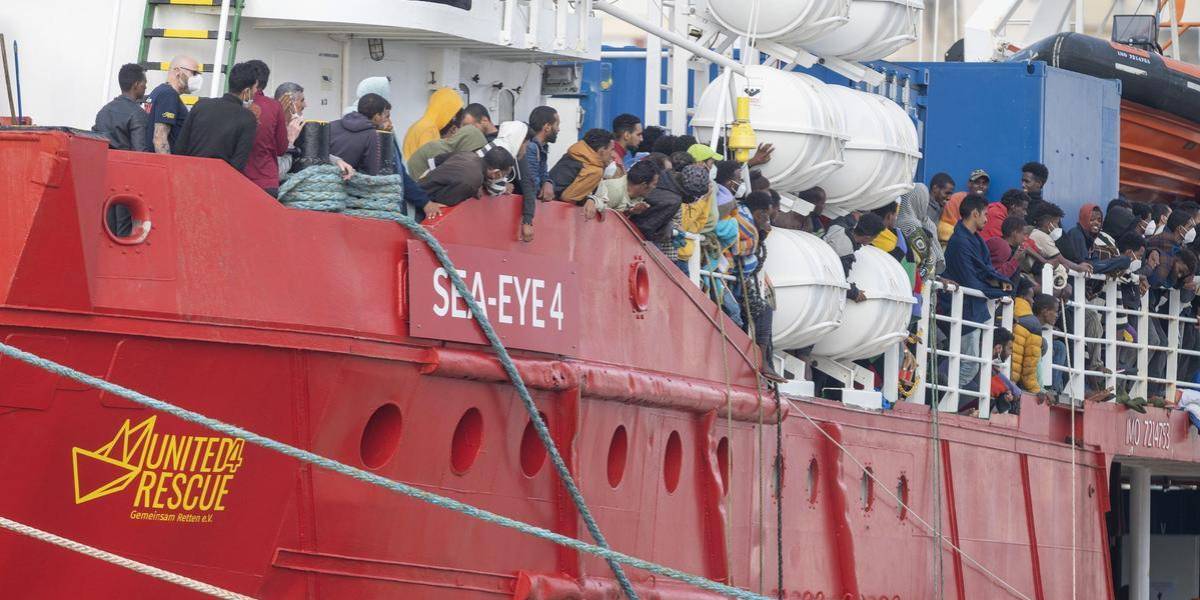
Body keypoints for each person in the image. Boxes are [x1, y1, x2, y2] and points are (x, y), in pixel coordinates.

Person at [943, 193, 1013, 387]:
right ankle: (943, 398)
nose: (987, 219)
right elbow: (969, 279)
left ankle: (949, 396)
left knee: (971, 362)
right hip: (963, 309)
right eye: (985, 214)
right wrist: (998, 289)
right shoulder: (959, 241)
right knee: (971, 364)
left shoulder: (974, 240)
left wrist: (1000, 283)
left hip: (972, 308)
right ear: (975, 214)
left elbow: (983, 270)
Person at [174, 62, 258, 171]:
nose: (256, 91)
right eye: (255, 88)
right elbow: (238, 164)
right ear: (246, 91)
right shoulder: (248, 118)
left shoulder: (201, 105)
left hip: (189, 174)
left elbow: (180, 147)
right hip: (220, 178)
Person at [419, 146, 516, 218]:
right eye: (504, 175)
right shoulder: (473, 181)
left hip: (419, 186)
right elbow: (444, 202)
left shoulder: (467, 154)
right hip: (420, 204)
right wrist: (473, 191)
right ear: (496, 173)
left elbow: (437, 161)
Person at [241, 60, 289, 196]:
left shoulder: (232, 104)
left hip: (236, 178)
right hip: (265, 179)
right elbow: (281, 148)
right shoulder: (274, 106)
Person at [144, 55, 201, 154]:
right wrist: (167, 163)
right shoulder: (169, 95)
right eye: (194, 73)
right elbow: (160, 140)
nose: (197, 78)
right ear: (178, 71)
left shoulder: (159, 91)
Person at [823, 212, 885, 303]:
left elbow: (846, 219)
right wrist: (855, 293)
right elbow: (838, 282)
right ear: (868, 237)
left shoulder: (837, 226)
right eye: (874, 238)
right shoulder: (846, 253)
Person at [1058, 203, 1132, 275]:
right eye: (1092, 219)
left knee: (1124, 260)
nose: (1096, 223)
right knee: (1124, 260)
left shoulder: (1090, 238)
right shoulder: (1076, 234)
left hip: (1091, 267)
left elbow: (1095, 261)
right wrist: (1113, 263)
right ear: (1084, 218)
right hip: (1077, 274)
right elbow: (1085, 263)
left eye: (1099, 220)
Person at [549, 128, 614, 209]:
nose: (613, 155)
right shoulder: (594, 170)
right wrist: (591, 200)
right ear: (602, 150)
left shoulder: (573, 155)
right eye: (611, 150)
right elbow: (569, 198)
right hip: (556, 209)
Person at [329, 93, 391, 176]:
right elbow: (372, 172)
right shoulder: (372, 135)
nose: (386, 120)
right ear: (377, 116)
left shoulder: (332, 124)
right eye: (385, 115)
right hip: (345, 180)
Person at [1022, 202, 1092, 275]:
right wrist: (1079, 268)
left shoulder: (1036, 233)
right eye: (1056, 223)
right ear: (1048, 223)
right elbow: (1061, 259)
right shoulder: (1042, 236)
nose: (1058, 226)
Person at [93, 63, 150, 152]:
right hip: (125, 160)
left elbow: (94, 142)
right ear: (136, 84)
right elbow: (140, 152)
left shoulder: (103, 111)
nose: (146, 87)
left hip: (102, 160)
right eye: (144, 83)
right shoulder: (138, 114)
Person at [406, 123, 489, 181]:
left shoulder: (449, 149)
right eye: (474, 151)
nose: (474, 155)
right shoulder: (439, 151)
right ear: (464, 143)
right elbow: (443, 180)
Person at [402, 87, 464, 156]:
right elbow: (432, 159)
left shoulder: (422, 124)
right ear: (445, 109)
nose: (452, 118)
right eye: (452, 112)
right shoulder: (429, 129)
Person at [939, 169, 989, 243]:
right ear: (969, 184)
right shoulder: (956, 199)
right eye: (977, 182)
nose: (981, 186)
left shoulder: (985, 206)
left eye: (984, 183)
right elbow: (946, 225)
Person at [522, 106, 559, 207]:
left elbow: (543, 175)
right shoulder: (531, 147)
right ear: (547, 127)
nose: (558, 129)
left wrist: (548, 182)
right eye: (557, 125)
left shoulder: (542, 147)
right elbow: (531, 184)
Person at [989, 327, 1022, 414]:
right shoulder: (987, 366)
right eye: (1010, 348)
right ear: (998, 348)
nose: (1011, 353)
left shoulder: (991, 367)